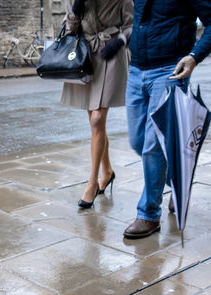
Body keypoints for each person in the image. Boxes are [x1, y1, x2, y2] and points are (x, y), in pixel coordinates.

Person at [123, 0, 211, 239]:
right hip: (137, 68)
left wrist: (194, 56)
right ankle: (178, 180)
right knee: (138, 141)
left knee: (153, 146)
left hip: (169, 70)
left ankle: (148, 214)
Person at [61, 0, 133, 209]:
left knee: (97, 119)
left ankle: (92, 183)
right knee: (96, 125)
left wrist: (119, 41)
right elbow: (70, 29)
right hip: (85, 56)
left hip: (111, 54)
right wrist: (75, 9)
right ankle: (107, 171)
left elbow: (131, 25)